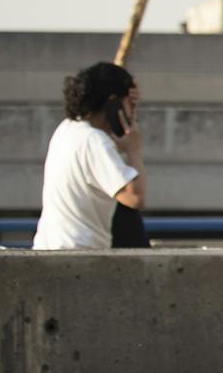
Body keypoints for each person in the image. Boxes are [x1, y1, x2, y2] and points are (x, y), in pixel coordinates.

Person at [34, 62, 148, 251]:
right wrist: (134, 151)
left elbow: (110, 147)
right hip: (79, 255)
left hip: (52, 248)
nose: (130, 112)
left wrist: (129, 105)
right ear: (114, 102)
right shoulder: (95, 141)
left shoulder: (68, 129)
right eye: (127, 103)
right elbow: (135, 197)